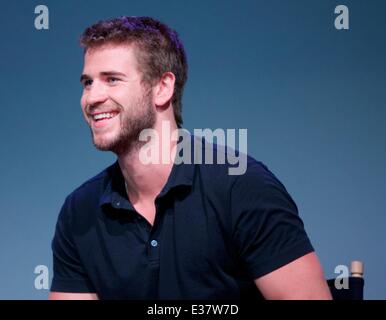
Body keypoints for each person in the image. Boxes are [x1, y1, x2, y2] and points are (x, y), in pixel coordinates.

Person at [49, 16, 332, 300]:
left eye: (111, 79)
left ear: (162, 88)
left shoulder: (242, 188)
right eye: (87, 82)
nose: (92, 97)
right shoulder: (79, 212)